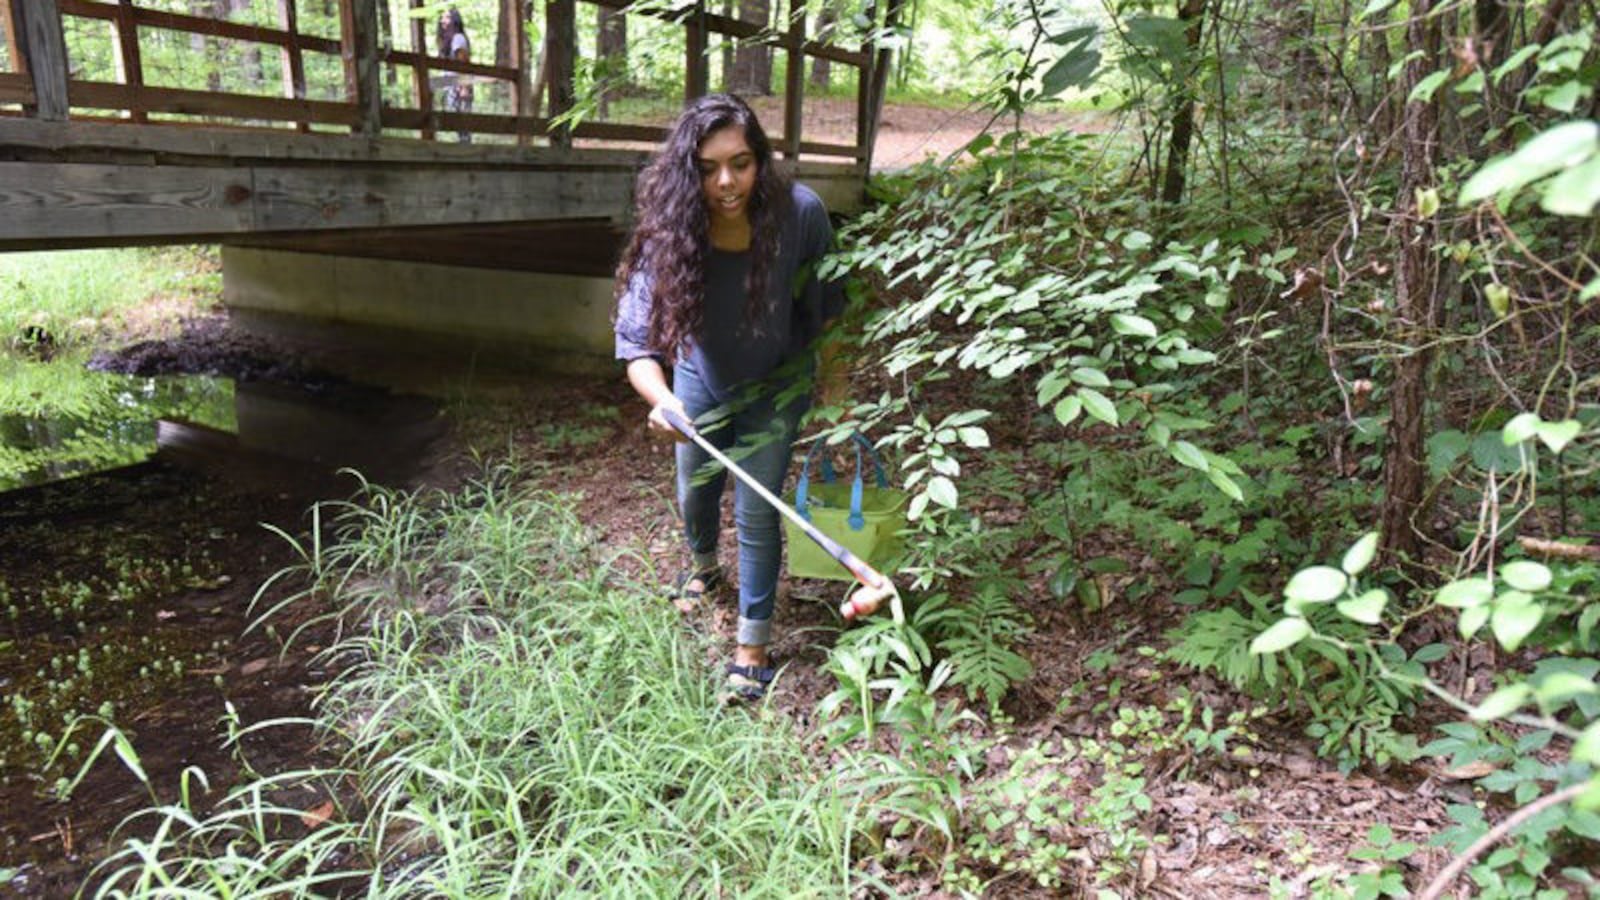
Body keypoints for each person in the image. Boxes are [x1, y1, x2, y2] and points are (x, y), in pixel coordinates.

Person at [614, 93, 845, 702]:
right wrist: (663, 400)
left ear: (760, 160)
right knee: (695, 491)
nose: (725, 181)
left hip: (778, 384)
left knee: (757, 509)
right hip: (697, 380)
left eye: (740, 163)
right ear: (686, 169)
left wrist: (832, 383)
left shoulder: (801, 214)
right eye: (708, 166)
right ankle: (701, 566)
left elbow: (831, 310)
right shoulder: (670, 227)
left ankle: (752, 648)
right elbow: (636, 343)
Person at [436, 8, 473, 143]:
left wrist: (464, 87)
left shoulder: (458, 38)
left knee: (462, 124)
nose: (442, 21)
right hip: (450, 86)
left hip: (458, 86)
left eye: (447, 17)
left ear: (454, 21)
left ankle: (466, 153)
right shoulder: (446, 42)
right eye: (442, 17)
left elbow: (463, 64)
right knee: (454, 123)